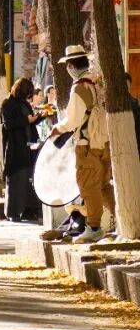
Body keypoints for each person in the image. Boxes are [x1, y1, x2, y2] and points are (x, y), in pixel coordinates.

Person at [50, 43, 115, 243]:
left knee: (89, 187)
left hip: (87, 146)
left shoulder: (79, 88)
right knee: (104, 186)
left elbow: (73, 120)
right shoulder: (97, 82)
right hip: (103, 143)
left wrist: (58, 128)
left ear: (70, 66)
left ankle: (94, 227)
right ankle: (120, 220)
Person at [1, 77, 41, 223]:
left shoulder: (24, 104)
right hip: (16, 145)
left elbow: (30, 122)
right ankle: (13, 212)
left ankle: (29, 210)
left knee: (29, 178)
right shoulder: (8, 104)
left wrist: (39, 117)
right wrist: (26, 120)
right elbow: (8, 124)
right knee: (16, 178)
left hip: (29, 144)